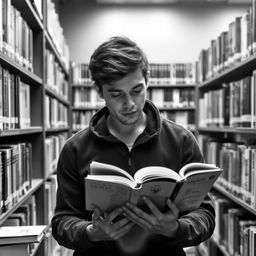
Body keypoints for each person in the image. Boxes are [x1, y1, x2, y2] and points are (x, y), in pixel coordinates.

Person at [51, 36, 215, 256]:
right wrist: (91, 232)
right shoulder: (75, 148)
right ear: (99, 91)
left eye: (137, 91)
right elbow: (62, 223)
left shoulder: (182, 140)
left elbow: (204, 215)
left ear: (147, 80)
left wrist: (176, 228)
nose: (129, 104)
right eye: (116, 94)